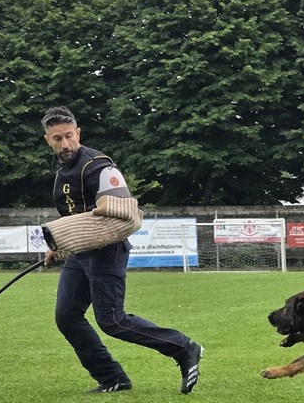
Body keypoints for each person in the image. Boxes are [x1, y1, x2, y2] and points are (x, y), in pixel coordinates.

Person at [41, 106, 203, 394]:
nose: (64, 144)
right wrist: (58, 245)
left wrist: (96, 211)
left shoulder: (100, 167)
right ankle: (112, 378)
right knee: (66, 316)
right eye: (57, 139)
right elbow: (72, 213)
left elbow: (122, 209)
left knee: (112, 320)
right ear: (47, 140)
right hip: (79, 254)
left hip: (107, 250)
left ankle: (184, 347)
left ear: (78, 133)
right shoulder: (61, 168)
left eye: (69, 136)